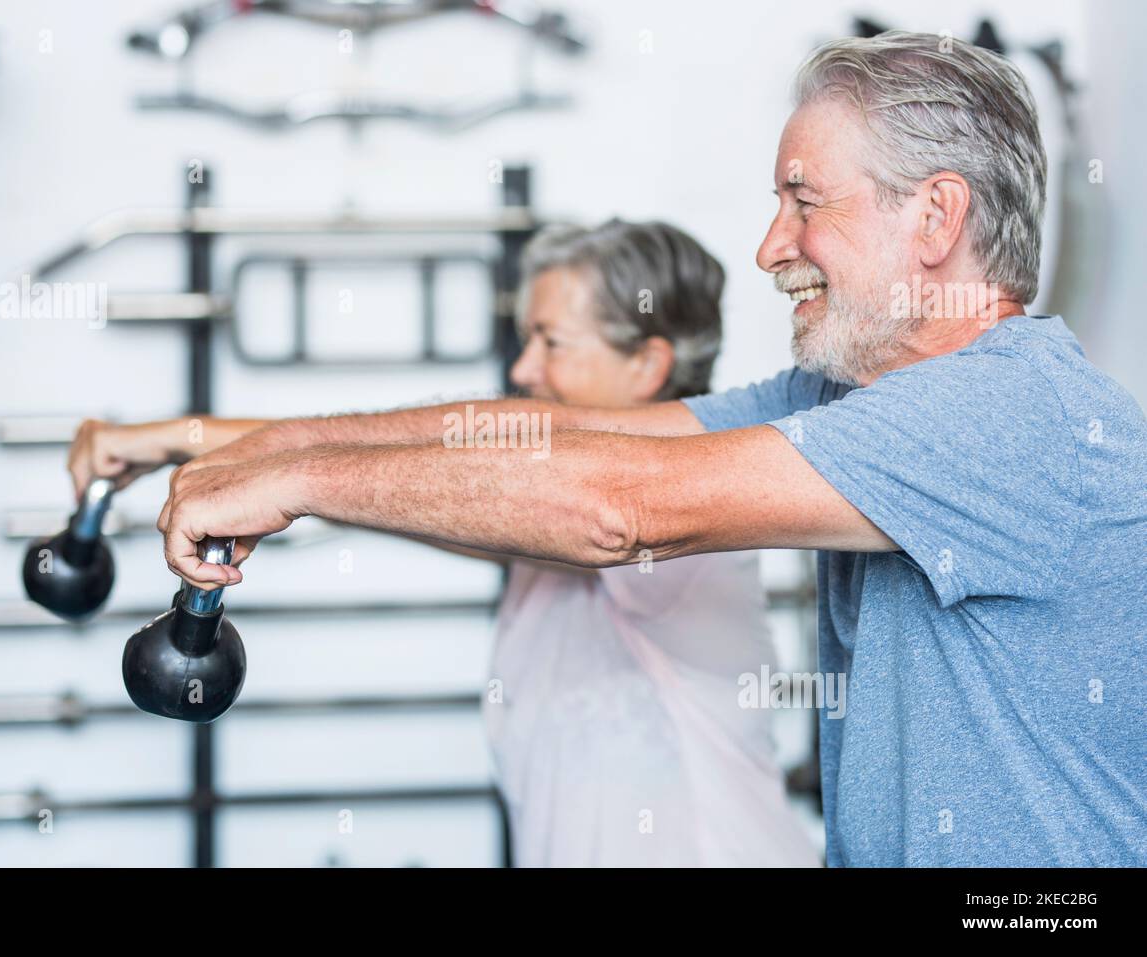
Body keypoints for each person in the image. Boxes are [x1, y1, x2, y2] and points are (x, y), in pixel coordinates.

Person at [146, 31, 1147, 867]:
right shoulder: (847, 399)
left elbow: (620, 506)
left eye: (805, 202)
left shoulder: (1003, 412)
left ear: (934, 217)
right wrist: (266, 450)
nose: (769, 246)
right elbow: (556, 434)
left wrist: (301, 480)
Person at [69, 220, 820, 867]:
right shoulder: (543, 523)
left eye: (550, 340)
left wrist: (266, 473)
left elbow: (466, 474)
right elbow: (425, 475)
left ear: (647, 364)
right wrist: (181, 444)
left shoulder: (666, 518)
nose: (524, 369)